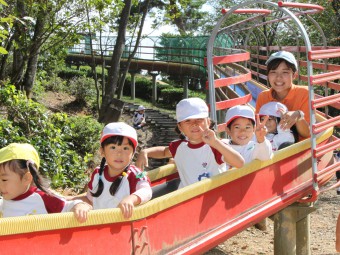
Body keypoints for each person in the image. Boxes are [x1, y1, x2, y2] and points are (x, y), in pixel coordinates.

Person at [136, 97, 245, 188]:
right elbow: (164, 152)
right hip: (188, 199)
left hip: (212, 197)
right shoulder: (179, 146)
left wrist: (216, 143)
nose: (194, 124)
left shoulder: (216, 145)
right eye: (188, 121)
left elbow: (239, 163)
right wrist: (145, 152)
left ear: (208, 122)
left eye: (199, 119)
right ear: (180, 126)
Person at [0, 143, 91, 223]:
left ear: (26, 178)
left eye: (4, 180)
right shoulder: (4, 201)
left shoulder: (43, 197)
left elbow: (67, 206)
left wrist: (80, 206)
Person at [86, 122, 152, 219]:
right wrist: (83, 205)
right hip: (99, 227)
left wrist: (131, 199)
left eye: (125, 148)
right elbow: (89, 199)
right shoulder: (97, 173)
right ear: (102, 151)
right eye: (113, 147)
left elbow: (146, 190)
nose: (119, 153)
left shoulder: (136, 174)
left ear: (133, 153)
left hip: (122, 229)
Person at [255, 51, 310, 141]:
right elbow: (258, 127)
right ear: (268, 75)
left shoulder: (304, 93)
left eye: (285, 72)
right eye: (273, 72)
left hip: (299, 148)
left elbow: (306, 133)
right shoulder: (263, 97)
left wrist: (298, 116)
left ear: (294, 75)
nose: (278, 77)